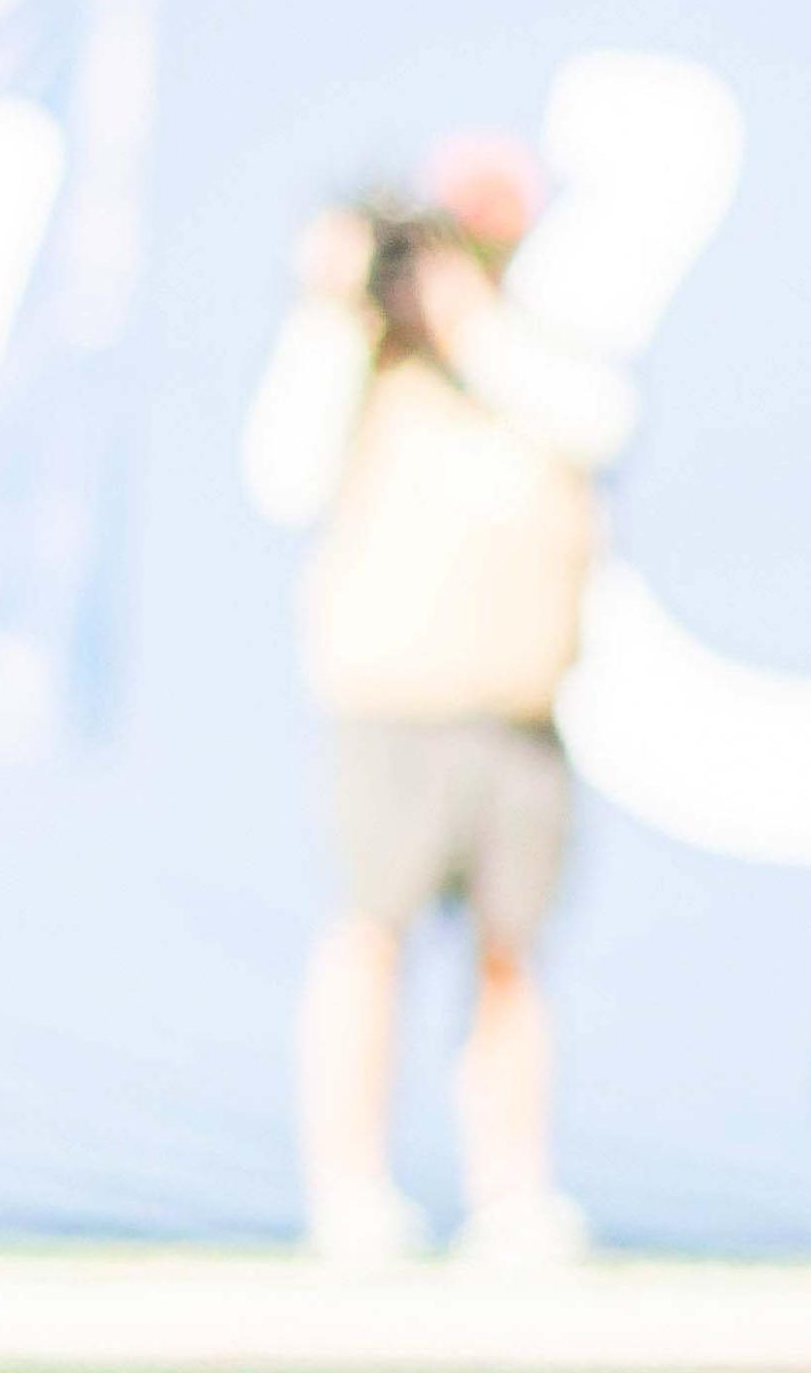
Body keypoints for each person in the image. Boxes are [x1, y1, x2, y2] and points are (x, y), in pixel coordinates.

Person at [244, 157, 638, 1270]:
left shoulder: (542, 355)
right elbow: (281, 477)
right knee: (369, 940)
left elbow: (597, 423)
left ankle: (511, 1191)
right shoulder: (361, 366)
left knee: (513, 958)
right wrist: (332, 307)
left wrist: (469, 322)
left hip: (519, 709)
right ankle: (349, 1187)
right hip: (393, 703)